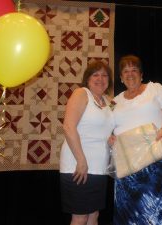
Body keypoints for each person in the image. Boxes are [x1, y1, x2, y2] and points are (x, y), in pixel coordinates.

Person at [111, 55, 162, 225]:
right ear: (120, 78)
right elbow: (106, 123)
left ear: (141, 74)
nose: (130, 74)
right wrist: (109, 135)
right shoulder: (114, 101)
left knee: (153, 212)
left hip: (154, 161)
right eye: (125, 71)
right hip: (125, 164)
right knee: (126, 212)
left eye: (134, 70)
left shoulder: (155, 89)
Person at [59, 61, 114, 225]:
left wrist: (112, 138)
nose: (100, 78)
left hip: (100, 168)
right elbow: (68, 127)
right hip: (78, 166)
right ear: (87, 79)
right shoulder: (81, 93)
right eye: (95, 74)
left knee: (94, 215)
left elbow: (113, 127)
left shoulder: (110, 101)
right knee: (80, 217)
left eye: (105, 75)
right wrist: (81, 161)